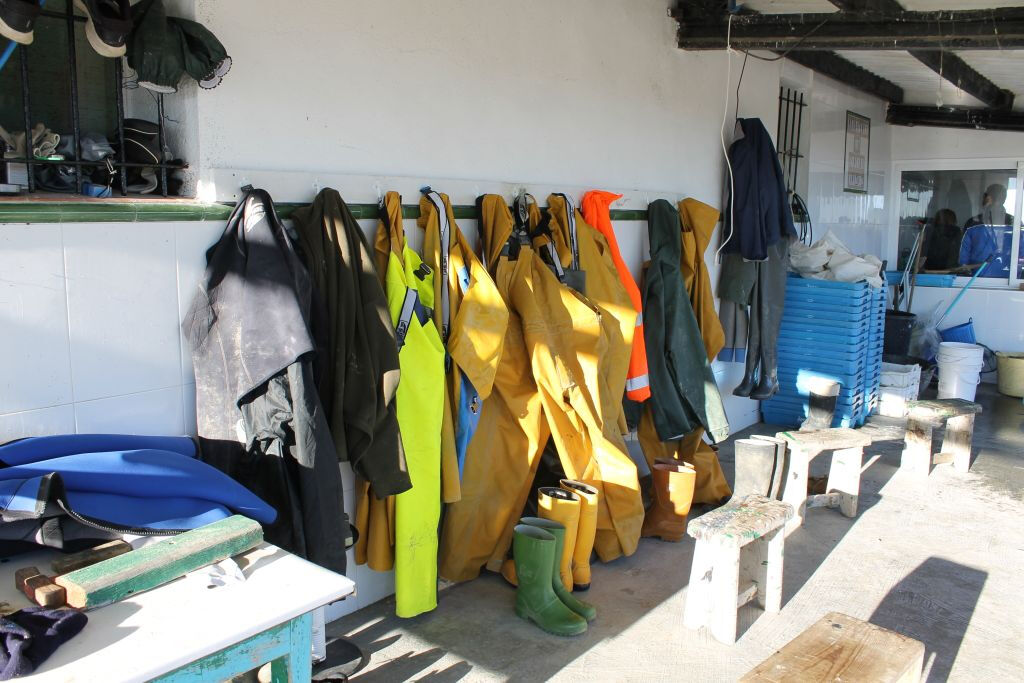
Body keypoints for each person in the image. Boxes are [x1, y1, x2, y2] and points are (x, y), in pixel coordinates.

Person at [959, 184, 1013, 277]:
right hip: (976, 279)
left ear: (988, 198)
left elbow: (1020, 255)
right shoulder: (974, 223)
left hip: (1006, 280)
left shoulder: (1013, 223)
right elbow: (963, 258)